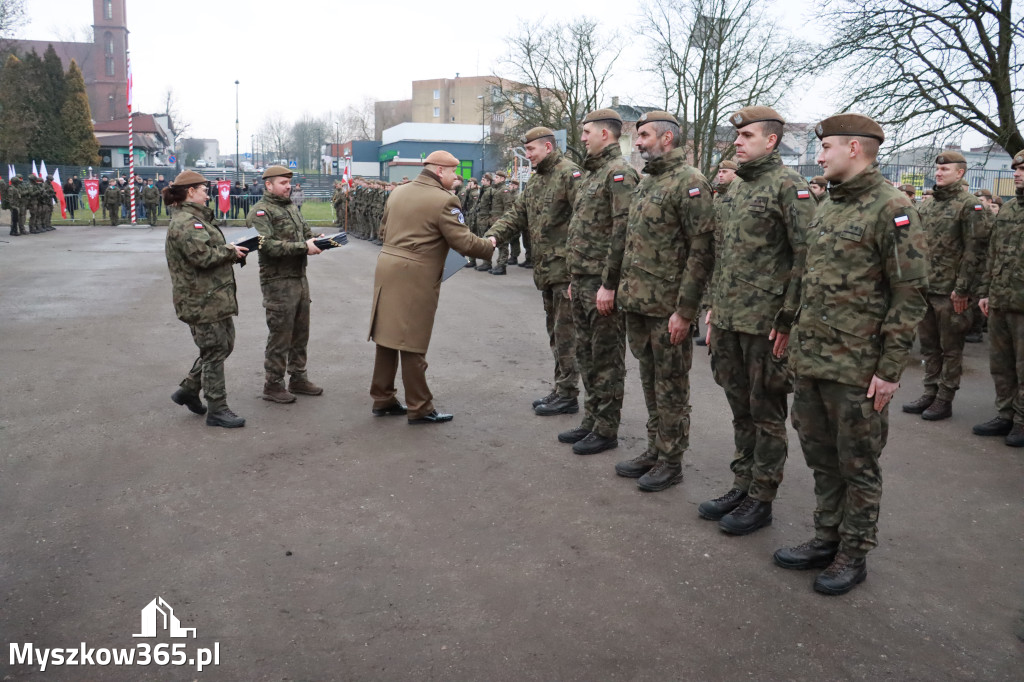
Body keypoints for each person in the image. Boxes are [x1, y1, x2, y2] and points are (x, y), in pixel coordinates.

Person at [774, 114, 928, 596]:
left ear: (855, 149)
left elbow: (910, 294)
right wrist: (787, 324)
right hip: (813, 358)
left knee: (858, 463)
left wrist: (890, 369)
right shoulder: (829, 205)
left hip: (857, 366)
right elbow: (807, 274)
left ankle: (853, 552)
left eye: (827, 148)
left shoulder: (892, 208)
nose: (819, 156)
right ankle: (826, 536)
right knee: (820, 456)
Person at [701, 106, 816, 530]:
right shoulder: (736, 189)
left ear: (771, 140)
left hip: (765, 323)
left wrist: (788, 319)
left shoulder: (789, 186)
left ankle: (761, 497)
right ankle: (742, 482)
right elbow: (724, 256)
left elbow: (807, 257)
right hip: (730, 319)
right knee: (740, 407)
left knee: (766, 411)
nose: (737, 142)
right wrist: (714, 307)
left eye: (747, 136)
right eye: (738, 136)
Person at [612, 111, 716, 491]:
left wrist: (686, 311)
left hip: (668, 308)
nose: (638, 142)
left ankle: (671, 461)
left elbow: (701, 251)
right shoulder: (649, 182)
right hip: (639, 304)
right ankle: (655, 449)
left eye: (644, 135)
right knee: (650, 380)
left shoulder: (690, 182)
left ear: (666, 138)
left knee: (671, 386)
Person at [368, 150, 496, 424]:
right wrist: (489, 245)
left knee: (387, 337)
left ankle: (383, 397)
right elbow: (464, 242)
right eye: (453, 171)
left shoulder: (398, 192)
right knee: (412, 339)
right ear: (439, 170)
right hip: (415, 274)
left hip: (387, 268)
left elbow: (382, 231)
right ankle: (420, 406)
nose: (456, 176)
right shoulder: (444, 199)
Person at [485, 127, 583, 416]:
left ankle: (568, 394)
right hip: (547, 270)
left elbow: (585, 221)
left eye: (531, 150)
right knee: (555, 332)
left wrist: (578, 271)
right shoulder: (538, 180)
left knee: (566, 335)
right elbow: (517, 214)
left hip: (565, 271)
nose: (527, 155)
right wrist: (491, 238)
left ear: (548, 147)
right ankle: (561, 388)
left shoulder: (570, 174)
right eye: (526, 150)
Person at [558, 108, 639, 455]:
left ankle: (606, 428)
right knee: (586, 354)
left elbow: (623, 232)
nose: (582, 138)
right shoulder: (594, 174)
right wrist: (575, 277)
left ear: (605, 134)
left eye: (587, 132)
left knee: (606, 358)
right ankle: (591, 419)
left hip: (602, 283)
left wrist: (610, 284)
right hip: (583, 280)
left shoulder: (619, 173)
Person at [901, 151, 989, 421]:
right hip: (927, 288)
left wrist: (962, 289)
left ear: (960, 173)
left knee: (951, 348)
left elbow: (975, 251)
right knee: (929, 346)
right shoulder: (927, 206)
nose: (939, 173)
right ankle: (930, 391)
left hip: (951, 292)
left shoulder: (969, 206)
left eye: (945, 170)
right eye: (938, 169)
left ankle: (944, 397)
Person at [163, 170, 248, 428]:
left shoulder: (195, 219)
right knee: (214, 351)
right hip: (200, 299)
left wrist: (230, 251)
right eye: (203, 189)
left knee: (223, 346)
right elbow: (202, 257)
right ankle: (217, 409)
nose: (207, 194)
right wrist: (229, 251)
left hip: (212, 296)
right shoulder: (187, 222)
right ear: (190, 191)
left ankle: (189, 389)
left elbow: (208, 251)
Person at [247, 166, 324, 404]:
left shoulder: (290, 207)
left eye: (289, 182)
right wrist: (303, 247)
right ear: (268, 185)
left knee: (301, 333)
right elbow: (267, 245)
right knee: (280, 335)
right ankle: (273, 384)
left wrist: (318, 240)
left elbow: (305, 233)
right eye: (283, 183)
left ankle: (298, 377)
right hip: (277, 282)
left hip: (299, 278)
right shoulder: (260, 212)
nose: (288, 186)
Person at [973, 150, 1024, 446]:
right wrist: (985, 292)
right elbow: (992, 254)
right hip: (1001, 299)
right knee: (1001, 364)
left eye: (1022, 169)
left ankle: (1022, 420)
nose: (1016, 174)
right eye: (1015, 169)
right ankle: (1005, 414)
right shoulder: (1009, 209)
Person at [489, 170, 514, 273]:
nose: (494, 179)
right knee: (499, 243)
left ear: (503, 179)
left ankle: (502, 266)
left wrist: (504, 221)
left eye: (497, 177)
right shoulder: (497, 190)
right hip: (495, 221)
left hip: (501, 221)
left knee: (503, 244)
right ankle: (499, 264)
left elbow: (508, 207)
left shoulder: (505, 190)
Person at [474, 174, 495, 272]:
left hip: (486, 219)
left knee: (486, 241)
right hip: (480, 218)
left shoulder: (491, 191)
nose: (481, 181)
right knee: (482, 240)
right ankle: (485, 262)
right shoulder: (483, 190)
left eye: (483, 180)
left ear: (488, 181)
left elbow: (493, 206)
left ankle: (487, 263)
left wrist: (490, 219)